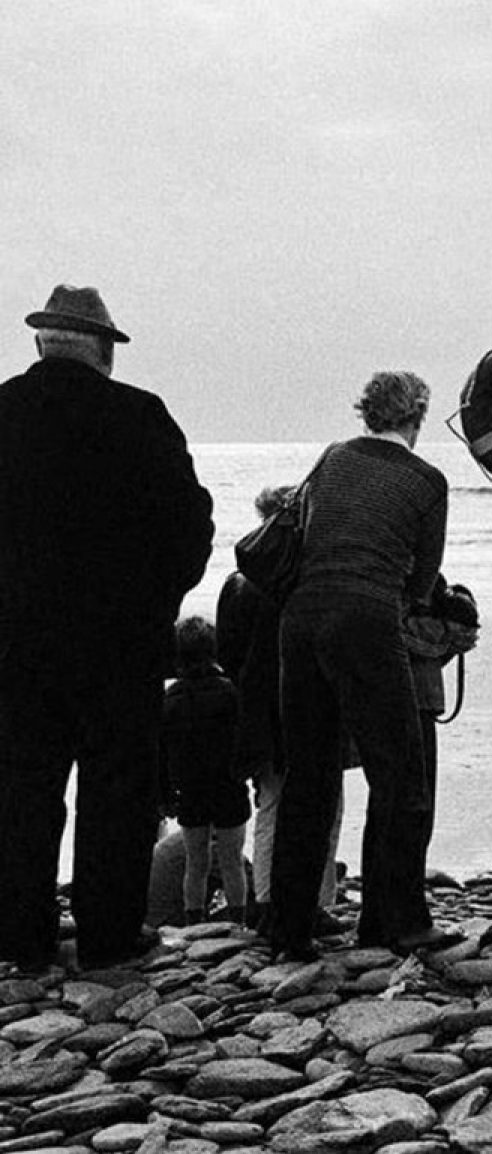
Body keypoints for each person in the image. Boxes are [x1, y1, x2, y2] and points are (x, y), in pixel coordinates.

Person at [0, 285, 214, 970]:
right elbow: (190, 527)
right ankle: (108, 935)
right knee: (116, 794)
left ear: (41, 344)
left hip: (14, 646)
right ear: (104, 352)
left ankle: (21, 937)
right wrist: (157, 601)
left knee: (21, 792)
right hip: (119, 647)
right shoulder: (140, 416)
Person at [268, 371, 452, 961]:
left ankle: (289, 927)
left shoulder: (332, 458)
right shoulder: (426, 481)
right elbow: (421, 581)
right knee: (399, 776)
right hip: (367, 616)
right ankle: (393, 919)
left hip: (301, 617)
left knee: (309, 776)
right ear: (416, 415)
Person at [218, 488, 346, 934]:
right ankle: (314, 900)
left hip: (256, 707)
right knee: (323, 804)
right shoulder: (301, 574)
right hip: (302, 699)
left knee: (272, 803)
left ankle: (268, 898)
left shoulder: (239, 581)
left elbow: (227, 652)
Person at [160, 616, 251, 923]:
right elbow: (243, 739)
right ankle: (239, 920)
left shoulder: (171, 698)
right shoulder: (230, 692)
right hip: (228, 786)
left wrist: (166, 790)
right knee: (232, 862)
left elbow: (163, 750)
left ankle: (193, 922)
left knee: (195, 864)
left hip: (191, 789)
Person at [401, 576, 480, 887]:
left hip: (409, 699)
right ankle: (405, 886)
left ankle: (403, 884)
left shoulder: (399, 572)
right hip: (417, 701)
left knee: (408, 799)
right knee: (415, 800)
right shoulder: (420, 576)